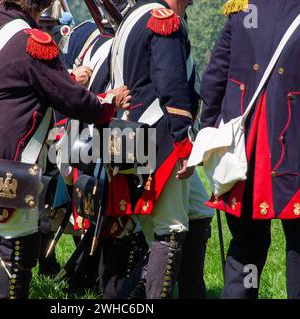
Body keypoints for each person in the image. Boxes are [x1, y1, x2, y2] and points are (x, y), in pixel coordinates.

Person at [0, 0, 130, 299]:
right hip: (10, 165)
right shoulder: (33, 42)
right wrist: (108, 103)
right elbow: (70, 99)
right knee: (14, 255)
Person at [199, 0, 300, 299]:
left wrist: (209, 131)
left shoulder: (242, 10)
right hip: (289, 149)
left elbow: (214, 79)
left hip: (239, 152)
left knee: (247, 243)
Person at [107, 0, 195, 299]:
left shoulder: (133, 17)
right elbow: (172, 85)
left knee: (165, 223)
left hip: (128, 137)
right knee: (169, 229)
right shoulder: (163, 21)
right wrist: (184, 142)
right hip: (159, 138)